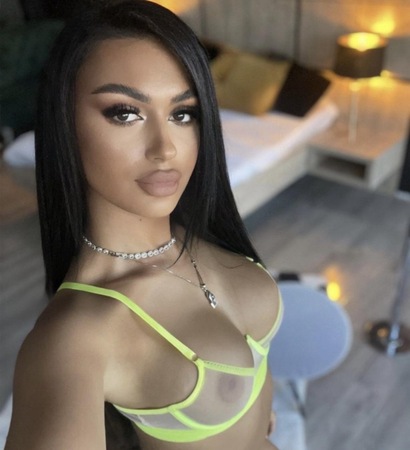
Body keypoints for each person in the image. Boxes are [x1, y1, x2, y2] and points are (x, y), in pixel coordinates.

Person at [5, 1, 283, 449]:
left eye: (183, 113)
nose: (165, 149)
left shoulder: (203, 233)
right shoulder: (75, 337)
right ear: (63, 123)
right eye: (125, 113)